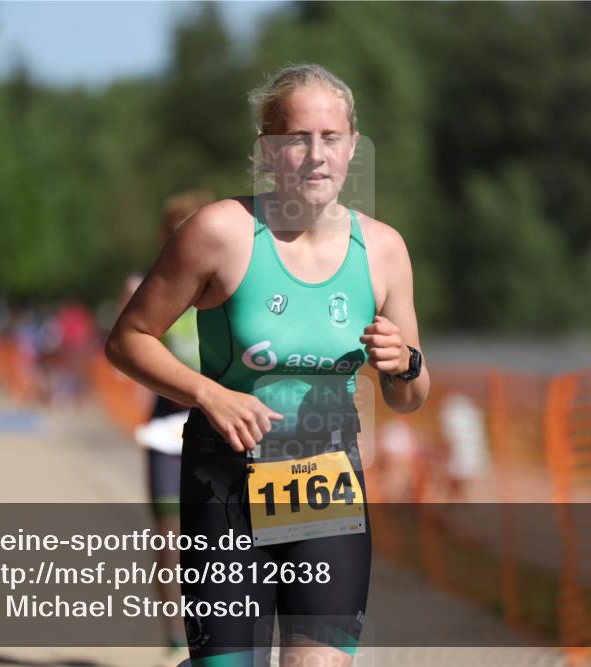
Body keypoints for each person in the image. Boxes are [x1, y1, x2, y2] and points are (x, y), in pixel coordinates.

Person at [106, 63, 429, 666]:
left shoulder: (383, 249)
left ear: (353, 146)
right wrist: (209, 394)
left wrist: (405, 364)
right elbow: (128, 339)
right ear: (266, 150)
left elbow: (408, 396)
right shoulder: (219, 233)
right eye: (295, 139)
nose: (315, 155)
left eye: (331, 138)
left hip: (326, 489)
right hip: (225, 487)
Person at [118, 190, 213, 661]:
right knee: (169, 537)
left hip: (218, 424)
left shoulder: (224, 284)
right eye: (177, 228)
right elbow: (124, 348)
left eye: (193, 226)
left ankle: (209, 632)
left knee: (218, 537)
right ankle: (175, 631)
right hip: (165, 425)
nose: (187, 236)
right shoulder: (149, 286)